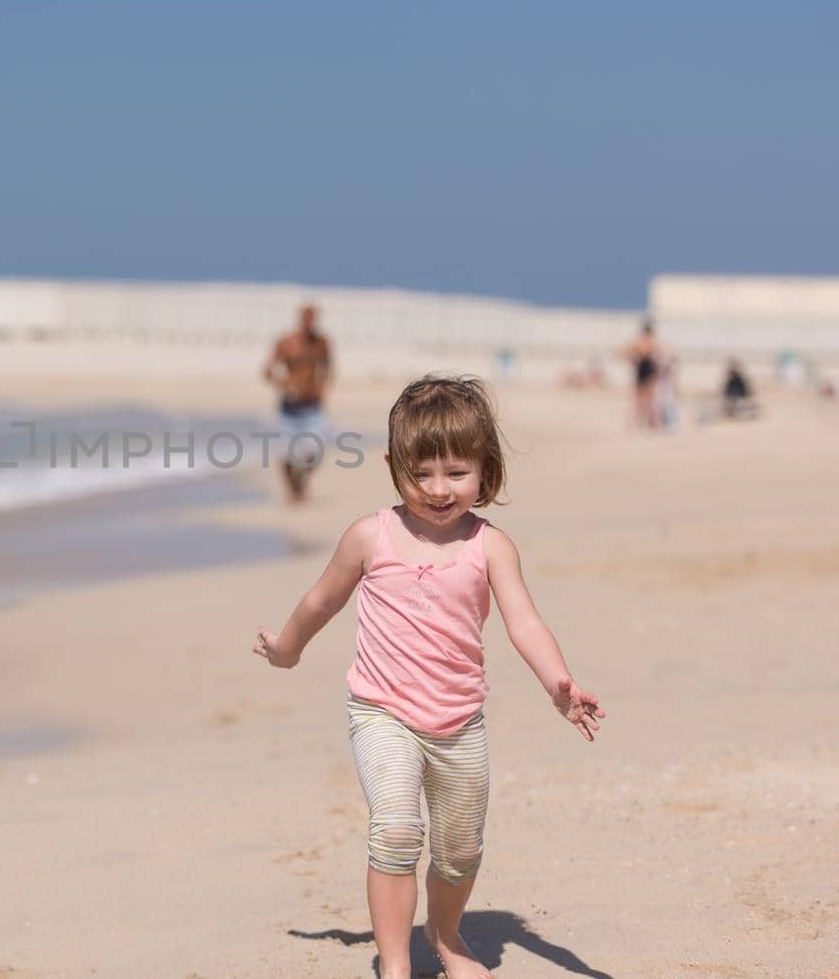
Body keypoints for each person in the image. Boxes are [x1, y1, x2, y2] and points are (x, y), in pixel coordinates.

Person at [252, 376, 604, 979]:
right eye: (422, 474)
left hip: (460, 721)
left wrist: (558, 684)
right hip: (382, 711)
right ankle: (395, 962)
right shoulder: (371, 536)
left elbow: (524, 623)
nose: (439, 490)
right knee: (395, 829)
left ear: (485, 468)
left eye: (456, 473)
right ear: (394, 466)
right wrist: (288, 649)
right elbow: (320, 602)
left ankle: (447, 935)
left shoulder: (491, 547)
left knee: (460, 848)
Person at [263, 303, 333, 502]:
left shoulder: (322, 343)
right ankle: (293, 489)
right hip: (289, 407)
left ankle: (301, 480)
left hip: (312, 406)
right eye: (306, 318)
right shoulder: (287, 343)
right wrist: (285, 384)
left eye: (313, 318)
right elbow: (268, 371)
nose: (310, 323)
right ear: (301, 319)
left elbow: (328, 367)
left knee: (316, 453)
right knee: (285, 453)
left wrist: (322, 388)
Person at [621, 320, 662, 429]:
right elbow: (661, 357)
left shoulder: (639, 342)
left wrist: (632, 359)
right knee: (650, 401)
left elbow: (624, 352)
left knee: (638, 401)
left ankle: (637, 424)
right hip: (649, 369)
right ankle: (653, 424)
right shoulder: (653, 342)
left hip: (641, 369)